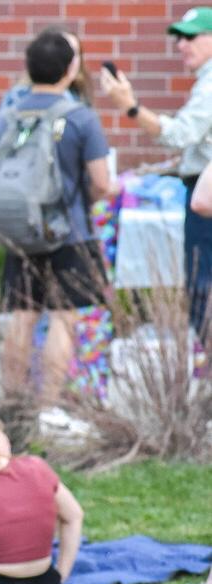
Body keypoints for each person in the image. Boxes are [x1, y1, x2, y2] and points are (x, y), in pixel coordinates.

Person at [0, 30, 117, 399]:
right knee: (64, 319)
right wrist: (85, 199)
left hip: (22, 229)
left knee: (23, 317)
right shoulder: (80, 117)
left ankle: (13, 405)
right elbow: (102, 181)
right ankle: (48, 406)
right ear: (70, 69)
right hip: (70, 232)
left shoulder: (11, 113)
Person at [100, 6, 212, 344]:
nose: (181, 44)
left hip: (205, 200)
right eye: (178, 37)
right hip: (198, 190)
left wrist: (130, 107)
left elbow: (180, 134)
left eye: (191, 36)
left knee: (202, 284)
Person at [0, 410, 84, 584]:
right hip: (46, 580)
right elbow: (74, 515)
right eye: (0, 432)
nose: (6, 438)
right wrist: (61, 573)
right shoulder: (36, 467)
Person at [0, 27, 93, 146]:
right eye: (65, 51)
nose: (70, 59)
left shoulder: (78, 99)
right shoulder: (17, 98)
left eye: (75, 53)